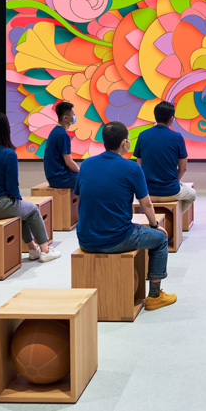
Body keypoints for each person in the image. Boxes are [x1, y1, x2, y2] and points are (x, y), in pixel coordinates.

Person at [76, 121, 176, 311]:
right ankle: (155, 296)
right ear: (124, 143)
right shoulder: (132, 168)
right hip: (117, 238)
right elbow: (146, 203)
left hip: (85, 239)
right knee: (160, 239)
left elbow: (82, 197)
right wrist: (155, 225)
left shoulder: (86, 164)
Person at [0, 112, 60, 263]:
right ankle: (45, 250)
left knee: (22, 209)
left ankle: (33, 248)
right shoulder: (9, 154)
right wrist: (18, 200)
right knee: (32, 210)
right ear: (6, 129)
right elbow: (12, 186)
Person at [133, 101, 197, 208]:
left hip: (147, 192)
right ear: (171, 119)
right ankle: (175, 218)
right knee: (192, 194)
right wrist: (176, 181)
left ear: (155, 116)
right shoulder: (177, 137)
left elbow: (139, 166)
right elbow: (183, 168)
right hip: (171, 192)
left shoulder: (142, 135)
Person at [43, 101, 80, 190]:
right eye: (73, 114)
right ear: (65, 118)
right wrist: (81, 172)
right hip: (60, 179)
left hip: (54, 177)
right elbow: (69, 162)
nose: (74, 116)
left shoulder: (56, 131)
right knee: (88, 180)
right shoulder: (62, 135)